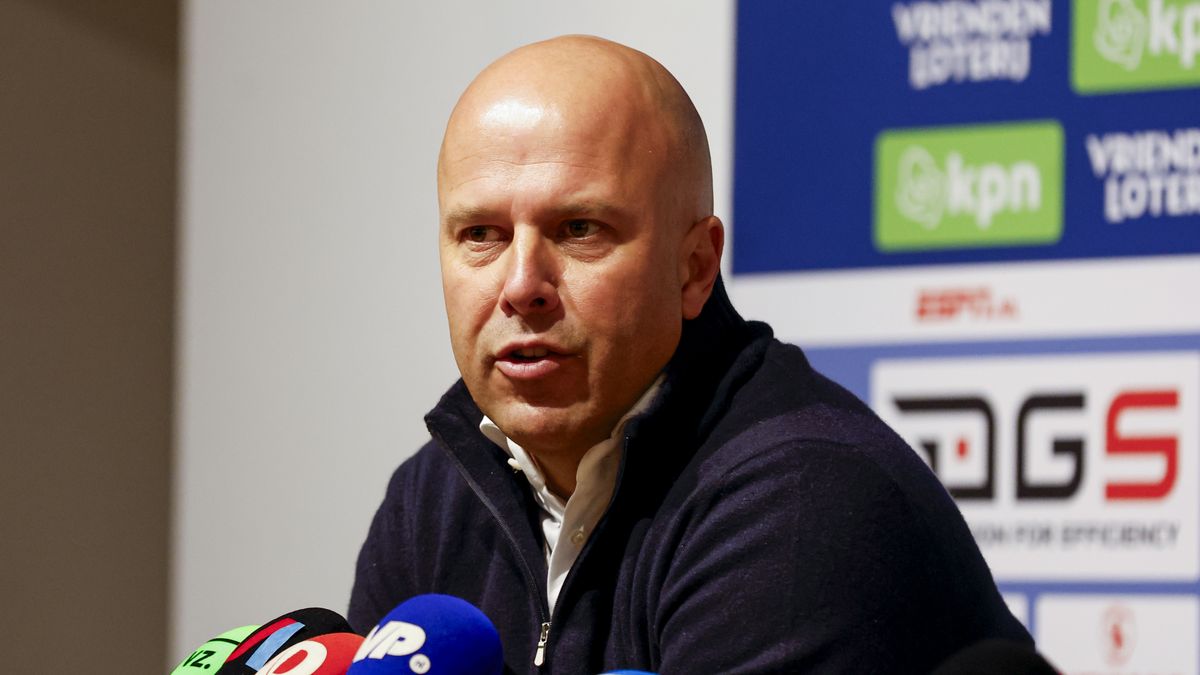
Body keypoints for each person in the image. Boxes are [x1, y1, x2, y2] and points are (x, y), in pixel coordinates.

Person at [349, 35, 1030, 673]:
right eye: (481, 234)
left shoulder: (800, 500)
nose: (522, 284)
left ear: (696, 265)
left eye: (579, 228)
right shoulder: (434, 498)